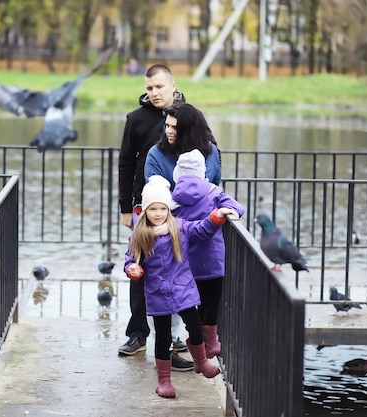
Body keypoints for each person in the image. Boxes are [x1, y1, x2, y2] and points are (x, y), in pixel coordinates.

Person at [124, 176, 239, 398]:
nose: (158, 214)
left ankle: (201, 361)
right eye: (153, 209)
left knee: (195, 328)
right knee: (164, 338)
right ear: (146, 211)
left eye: (162, 209)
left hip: (183, 288)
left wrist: (217, 216)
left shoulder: (180, 227)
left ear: (168, 209)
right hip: (158, 293)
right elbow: (130, 260)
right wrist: (133, 270)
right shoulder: (140, 235)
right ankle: (164, 381)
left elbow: (202, 229)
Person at [117, 64, 190, 369]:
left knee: (178, 270)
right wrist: (125, 207)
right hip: (144, 208)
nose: (154, 93)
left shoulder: (187, 115)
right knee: (139, 268)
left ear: (173, 85)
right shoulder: (136, 119)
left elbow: (207, 151)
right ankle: (137, 334)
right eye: (149, 88)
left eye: (159, 86)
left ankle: (175, 337)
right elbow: (124, 163)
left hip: (181, 208)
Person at [171, 149, 245, 358]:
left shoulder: (174, 196)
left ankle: (196, 341)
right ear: (202, 170)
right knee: (211, 300)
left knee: (192, 300)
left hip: (185, 259)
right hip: (211, 259)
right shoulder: (213, 192)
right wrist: (229, 211)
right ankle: (210, 341)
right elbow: (237, 208)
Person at [144, 102, 221, 190]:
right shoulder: (155, 155)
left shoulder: (211, 151)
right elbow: (156, 193)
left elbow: (216, 187)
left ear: (189, 130)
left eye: (174, 127)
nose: (168, 131)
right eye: (167, 126)